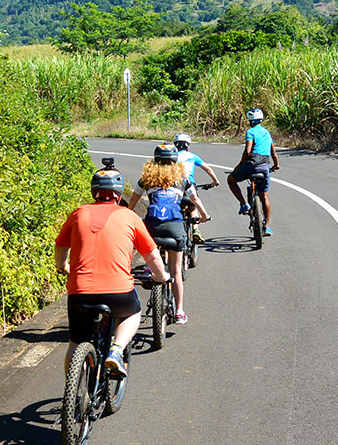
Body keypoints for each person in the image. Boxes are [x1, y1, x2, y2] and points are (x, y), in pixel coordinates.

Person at [55, 165, 170, 377]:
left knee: (75, 342)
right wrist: (161, 277)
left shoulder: (78, 213)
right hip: (117, 290)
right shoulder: (129, 216)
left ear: (93, 191)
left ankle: (73, 396)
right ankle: (116, 351)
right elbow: (152, 255)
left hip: (79, 290)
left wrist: (62, 266)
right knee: (133, 313)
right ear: (118, 194)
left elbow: (61, 246)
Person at [128, 143, 210, 325]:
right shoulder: (182, 177)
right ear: (175, 161)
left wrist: (125, 214)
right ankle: (179, 311)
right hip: (174, 228)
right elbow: (194, 199)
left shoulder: (146, 179)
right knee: (176, 272)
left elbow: (133, 199)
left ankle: (151, 269)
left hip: (151, 227)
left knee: (151, 252)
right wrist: (204, 216)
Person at [227, 107, 280, 236]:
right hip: (264, 167)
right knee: (264, 197)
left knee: (231, 180)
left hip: (251, 165)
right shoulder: (267, 133)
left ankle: (244, 204)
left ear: (250, 120)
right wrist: (276, 165)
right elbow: (273, 152)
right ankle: (267, 226)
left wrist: (239, 165)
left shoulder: (250, 132)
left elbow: (248, 151)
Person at [173, 132, 220, 244]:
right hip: (189, 185)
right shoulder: (192, 156)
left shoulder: (172, 156)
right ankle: (195, 230)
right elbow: (208, 169)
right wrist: (215, 181)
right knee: (193, 207)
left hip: (174, 186)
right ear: (188, 146)